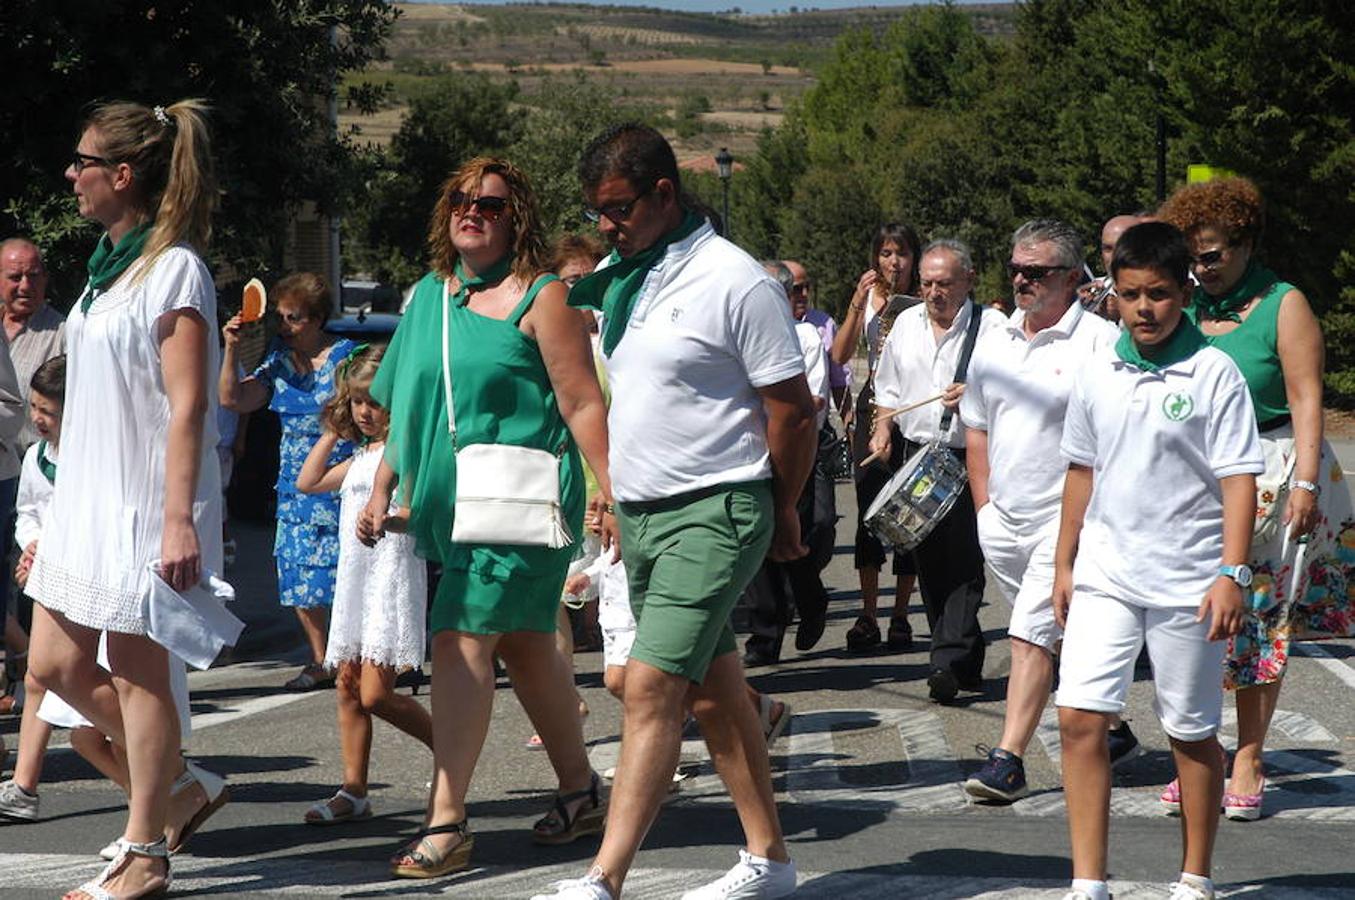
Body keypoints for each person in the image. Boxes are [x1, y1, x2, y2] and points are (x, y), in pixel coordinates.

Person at [532, 123, 812, 900]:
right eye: (595, 211)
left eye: (617, 208)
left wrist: (780, 508)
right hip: (645, 514)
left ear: (665, 193)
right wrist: (616, 497)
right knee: (713, 691)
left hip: (715, 508)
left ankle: (603, 877)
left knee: (649, 687)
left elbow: (791, 411)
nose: (604, 226)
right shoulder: (629, 271)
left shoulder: (734, 280)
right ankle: (771, 861)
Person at [359, 156, 613, 878]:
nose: (474, 211)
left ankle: (446, 819)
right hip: (452, 506)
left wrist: (610, 490)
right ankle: (580, 789)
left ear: (516, 218)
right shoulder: (430, 300)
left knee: (459, 638)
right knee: (529, 646)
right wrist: (382, 486)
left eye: (492, 205)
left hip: (520, 503)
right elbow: (408, 409)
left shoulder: (544, 297)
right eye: (463, 201)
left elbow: (582, 402)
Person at [25, 98, 229, 900]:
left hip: (143, 503)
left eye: (82, 162)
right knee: (53, 667)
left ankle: (146, 851)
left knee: (141, 679)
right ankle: (177, 786)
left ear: (122, 173)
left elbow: (188, 406)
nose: (70, 175)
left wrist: (179, 518)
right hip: (84, 497)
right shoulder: (105, 270)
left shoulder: (174, 266)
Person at [1053, 221, 1261, 900]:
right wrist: (1063, 563)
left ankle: (1194, 877)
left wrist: (1231, 573)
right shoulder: (1096, 369)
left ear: (1183, 292)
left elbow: (1237, 478)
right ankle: (1088, 883)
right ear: (1111, 292)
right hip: (1107, 575)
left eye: (1159, 295)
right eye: (1130, 294)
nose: (1143, 309)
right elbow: (1081, 470)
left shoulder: (1212, 372)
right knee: (1079, 717)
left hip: (1189, 581)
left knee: (1189, 731)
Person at [1157, 177, 1351, 822]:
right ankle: (1200, 752)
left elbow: (1304, 396)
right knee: (1194, 617)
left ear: (1245, 242)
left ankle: (1248, 756)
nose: (1201, 268)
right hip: (1196, 477)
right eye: (1193, 257)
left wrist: (1303, 486)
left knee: (1258, 620)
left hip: (1272, 471)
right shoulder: (1182, 306)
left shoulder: (1282, 303)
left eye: (1212, 254)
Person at [1, 356, 223, 852]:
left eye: (50, 412)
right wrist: (35, 542)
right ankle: (171, 799)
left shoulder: (102, 460)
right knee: (81, 726)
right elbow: (30, 513)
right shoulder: (39, 459)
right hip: (65, 589)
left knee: (109, 715)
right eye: (35, 408)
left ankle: (155, 815)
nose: (39, 419)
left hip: (104, 590)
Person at [959, 220, 1135, 804]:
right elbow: (978, 426)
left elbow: (1117, 438)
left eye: (1035, 272)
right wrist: (984, 506)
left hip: (1066, 522)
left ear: (1069, 277)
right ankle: (1112, 729)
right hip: (1003, 519)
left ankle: (1007, 761)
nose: (1020, 280)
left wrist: (1083, 524)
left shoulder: (1101, 344)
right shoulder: (995, 338)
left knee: (1029, 635)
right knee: (1057, 629)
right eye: (1015, 269)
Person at [293, 343, 433, 825]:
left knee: (376, 694)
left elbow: (418, 515)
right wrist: (334, 432)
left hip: (390, 578)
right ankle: (354, 790)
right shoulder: (360, 456)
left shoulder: (405, 454)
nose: (366, 412)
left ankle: (451, 750)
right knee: (348, 688)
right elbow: (308, 482)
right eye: (358, 402)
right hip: (357, 580)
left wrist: (388, 521)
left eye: (375, 401)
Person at [869, 239, 1004, 703]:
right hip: (915, 454)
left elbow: (1013, 389)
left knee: (965, 560)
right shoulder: (905, 324)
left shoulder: (994, 329)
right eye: (927, 283)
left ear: (968, 280)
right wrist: (882, 430)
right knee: (927, 562)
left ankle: (944, 660)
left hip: (971, 455)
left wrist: (976, 389)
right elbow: (885, 386)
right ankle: (963, 659)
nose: (933, 292)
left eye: (944, 283)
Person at [220, 272, 357, 691]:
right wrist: (231, 349)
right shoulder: (278, 362)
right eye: (280, 318)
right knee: (299, 575)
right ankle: (321, 659)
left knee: (348, 571)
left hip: (342, 476)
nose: (284, 327)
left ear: (316, 319)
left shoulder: (347, 359)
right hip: (296, 483)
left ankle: (353, 653)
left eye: (293, 318)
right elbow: (233, 399)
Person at [829, 224, 924, 653]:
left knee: (907, 516)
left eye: (901, 253)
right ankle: (868, 613)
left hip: (913, 412)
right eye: (885, 253)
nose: (893, 262)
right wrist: (854, 306)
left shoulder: (927, 297)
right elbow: (839, 356)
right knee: (868, 515)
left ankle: (901, 614)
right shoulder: (866, 300)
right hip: (869, 413)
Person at [742, 260, 832, 665]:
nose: (800, 298)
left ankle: (811, 601)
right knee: (758, 544)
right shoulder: (746, 332)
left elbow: (809, 403)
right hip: (751, 448)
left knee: (794, 539)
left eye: (800, 291)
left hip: (796, 449)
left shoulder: (806, 337)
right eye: (793, 291)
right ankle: (765, 636)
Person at [0, 238, 42, 713]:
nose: (24, 285)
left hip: (29, 477)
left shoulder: (64, 331)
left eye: (33, 275)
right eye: (14, 276)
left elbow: (11, 407)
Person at [786, 259, 850, 416]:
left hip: (817, 429)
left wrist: (849, 425)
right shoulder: (764, 324)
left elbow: (839, 381)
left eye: (807, 287)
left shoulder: (824, 324)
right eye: (797, 289)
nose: (805, 294)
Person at [1078, 214, 1151, 320]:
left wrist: (1124, 313)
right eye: (1108, 249)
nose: (1114, 256)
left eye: (1123, 247)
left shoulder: (1165, 288)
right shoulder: (1094, 287)